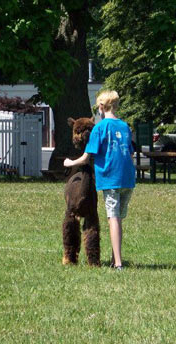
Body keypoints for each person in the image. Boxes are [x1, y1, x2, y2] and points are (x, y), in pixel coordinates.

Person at [64, 90, 136, 270]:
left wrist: (70, 162)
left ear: (102, 107)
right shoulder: (125, 126)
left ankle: (117, 263)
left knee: (113, 218)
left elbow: (87, 157)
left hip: (111, 178)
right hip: (128, 178)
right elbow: (131, 153)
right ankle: (114, 257)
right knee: (118, 218)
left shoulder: (100, 128)